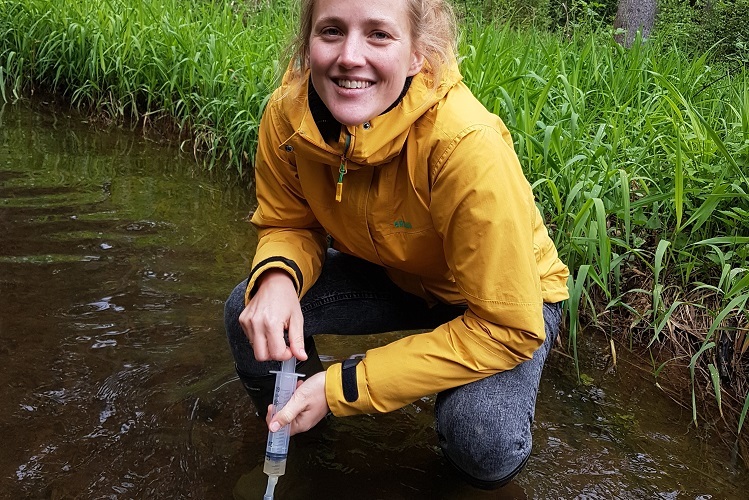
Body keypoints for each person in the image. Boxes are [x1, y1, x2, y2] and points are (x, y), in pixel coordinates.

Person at [224, 0, 569, 490]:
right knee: (248, 308)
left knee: (481, 438)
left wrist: (344, 386)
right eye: (331, 31)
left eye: (379, 35)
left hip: (504, 305)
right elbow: (289, 221)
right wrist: (279, 276)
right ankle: (305, 438)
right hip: (398, 272)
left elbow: (508, 327)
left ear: (417, 55)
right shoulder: (288, 120)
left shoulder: (465, 144)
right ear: (307, 42)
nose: (349, 56)